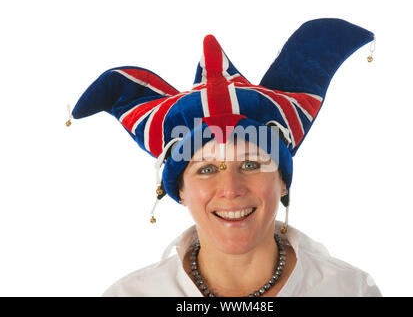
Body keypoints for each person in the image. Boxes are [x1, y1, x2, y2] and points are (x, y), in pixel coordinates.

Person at [68, 18, 381, 297]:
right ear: (180, 190)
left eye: (250, 164)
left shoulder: (350, 291)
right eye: (205, 170)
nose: (231, 188)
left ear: (282, 181)